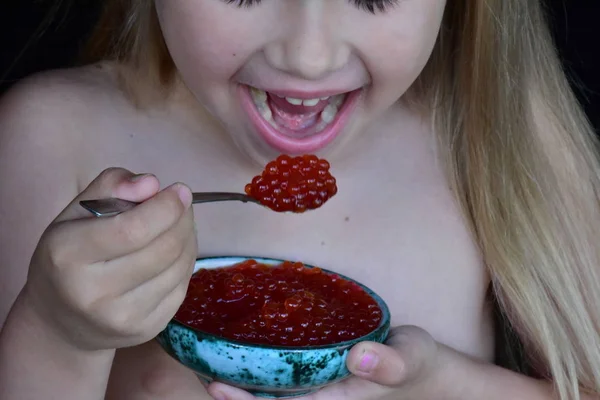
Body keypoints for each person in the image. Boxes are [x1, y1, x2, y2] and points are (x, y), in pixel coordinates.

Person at [1, 0, 599, 399]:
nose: (309, 56)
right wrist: (60, 334)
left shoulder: (500, 137)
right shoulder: (53, 138)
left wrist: (445, 386)